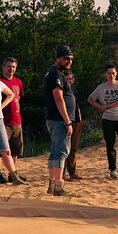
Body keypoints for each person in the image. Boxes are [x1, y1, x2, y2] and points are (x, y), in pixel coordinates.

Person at [43, 44, 75, 196]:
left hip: (54, 119)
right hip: (59, 120)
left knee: (55, 152)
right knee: (62, 152)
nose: (69, 61)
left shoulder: (53, 73)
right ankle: (58, 186)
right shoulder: (55, 74)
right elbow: (58, 97)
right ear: (58, 58)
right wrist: (67, 121)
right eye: (66, 58)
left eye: (71, 59)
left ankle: (52, 184)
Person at [0, 57, 24, 184]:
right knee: (0, 150)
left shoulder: (18, 82)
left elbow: (18, 98)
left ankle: (13, 174)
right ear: (3, 67)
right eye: (9, 66)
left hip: (17, 120)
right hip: (1, 120)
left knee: (15, 149)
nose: (11, 69)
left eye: (13, 67)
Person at [63, 69, 85, 180]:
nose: (69, 81)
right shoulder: (60, 91)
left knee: (74, 148)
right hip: (66, 122)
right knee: (64, 148)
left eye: (71, 79)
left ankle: (72, 172)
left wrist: (80, 120)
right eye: (67, 79)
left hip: (77, 121)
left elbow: (78, 107)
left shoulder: (75, 92)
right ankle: (61, 173)